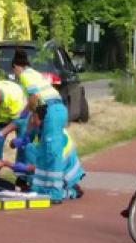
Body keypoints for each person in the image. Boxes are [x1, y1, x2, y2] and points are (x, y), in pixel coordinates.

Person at [10, 49, 84, 201]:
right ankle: (41, 187)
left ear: (16, 67)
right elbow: (35, 105)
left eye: (14, 72)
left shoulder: (24, 76)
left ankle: (56, 192)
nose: (16, 76)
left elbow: (35, 98)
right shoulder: (34, 73)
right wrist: (26, 117)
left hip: (51, 111)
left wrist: (31, 114)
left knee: (51, 151)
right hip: (53, 109)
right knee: (44, 151)